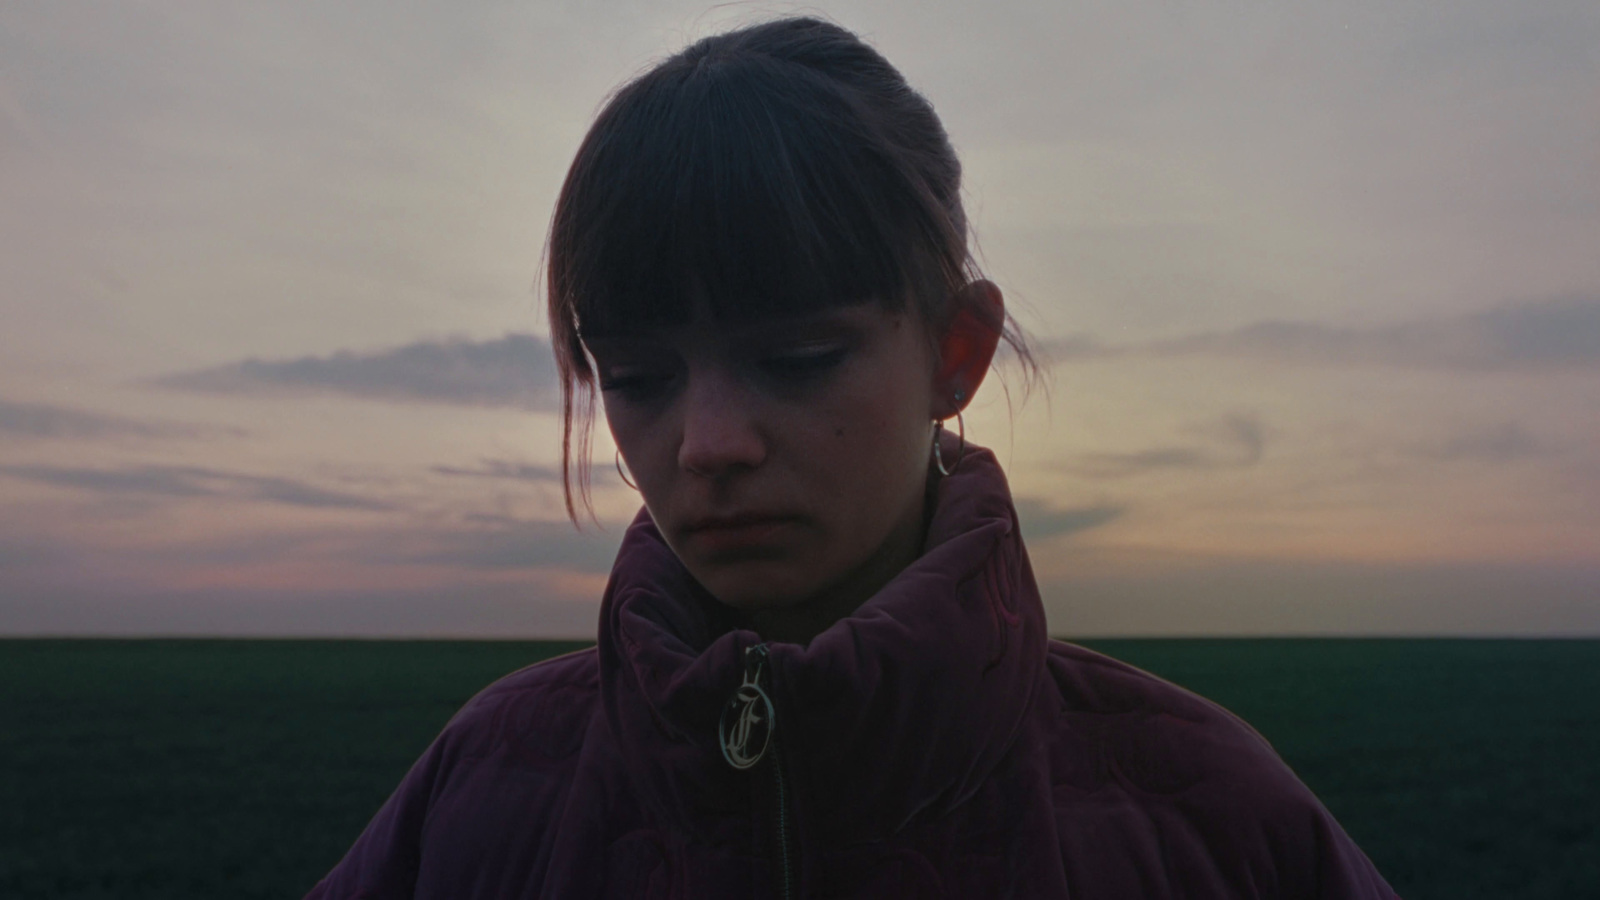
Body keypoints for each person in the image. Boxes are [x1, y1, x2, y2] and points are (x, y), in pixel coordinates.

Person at [307, 17, 1397, 899]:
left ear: (955, 352)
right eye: (636, 378)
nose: (707, 445)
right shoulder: (483, 788)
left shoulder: (1209, 816)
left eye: (797, 358)